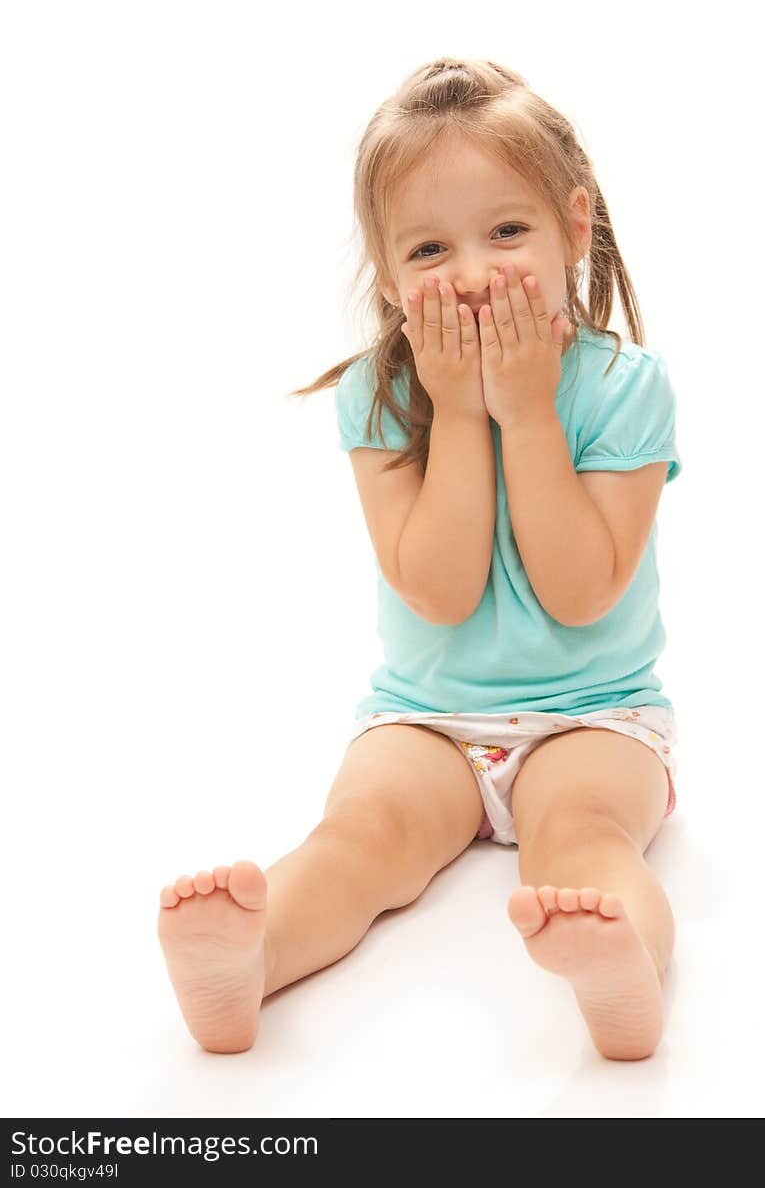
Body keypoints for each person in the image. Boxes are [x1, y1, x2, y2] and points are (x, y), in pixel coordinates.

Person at [157, 57, 683, 1062]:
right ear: (390, 274)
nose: (475, 273)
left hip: (597, 713)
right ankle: (248, 958)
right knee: (360, 837)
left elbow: (581, 593)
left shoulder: (626, 388)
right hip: (424, 718)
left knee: (581, 840)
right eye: (432, 247)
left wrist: (525, 408)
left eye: (508, 231)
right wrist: (454, 410)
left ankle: (627, 967)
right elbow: (437, 593)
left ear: (575, 229)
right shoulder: (380, 397)